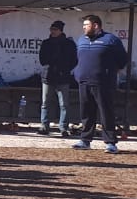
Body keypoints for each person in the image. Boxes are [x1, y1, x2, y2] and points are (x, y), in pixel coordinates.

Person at [71, 14, 127, 154]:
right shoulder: (81, 40)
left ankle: (110, 143)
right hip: (84, 81)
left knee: (106, 112)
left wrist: (108, 72)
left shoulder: (111, 40)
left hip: (103, 83)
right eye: (83, 25)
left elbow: (122, 60)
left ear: (96, 26)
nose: (84, 28)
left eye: (86, 25)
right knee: (86, 112)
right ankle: (85, 140)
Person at [38, 20, 77, 135]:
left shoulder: (69, 44)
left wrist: (64, 69)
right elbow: (42, 60)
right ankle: (44, 126)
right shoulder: (46, 43)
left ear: (61, 31)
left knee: (64, 104)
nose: (53, 31)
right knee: (45, 103)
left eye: (55, 29)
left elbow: (74, 60)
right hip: (48, 77)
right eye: (51, 29)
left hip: (63, 77)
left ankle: (63, 128)